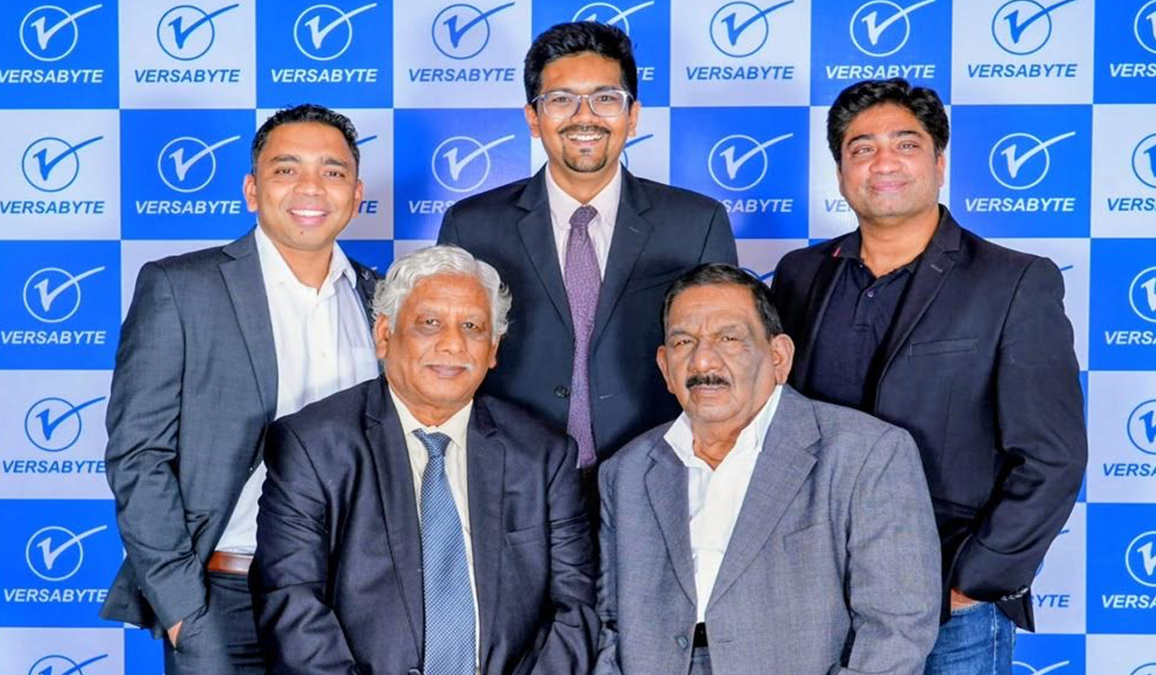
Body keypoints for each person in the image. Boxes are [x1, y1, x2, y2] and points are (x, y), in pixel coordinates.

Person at [771, 78, 1087, 674]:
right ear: (840, 172)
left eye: (906, 144)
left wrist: (974, 581)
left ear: (939, 163)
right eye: (862, 148)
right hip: (816, 594)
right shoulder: (800, 274)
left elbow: (1053, 457)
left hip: (947, 605)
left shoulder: (1013, 282)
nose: (883, 161)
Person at [100, 104, 379, 674]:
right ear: (252, 190)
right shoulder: (181, 287)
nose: (311, 187)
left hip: (354, 601)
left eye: (332, 172)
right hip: (224, 598)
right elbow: (138, 456)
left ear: (356, 195)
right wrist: (183, 610)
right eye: (286, 169)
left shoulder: (380, 299)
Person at [250, 246, 597, 675]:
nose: (452, 344)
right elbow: (291, 601)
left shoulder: (543, 455)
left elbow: (573, 608)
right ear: (384, 335)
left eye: (472, 327)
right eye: (429, 323)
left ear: (493, 349)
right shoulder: (313, 445)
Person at [596, 263, 941, 675]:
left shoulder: (866, 453)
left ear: (779, 357)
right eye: (683, 341)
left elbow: (898, 627)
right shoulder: (627, 471)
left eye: (728, 338)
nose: (703, 360)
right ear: (665, 366)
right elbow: (608, 625)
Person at [438, 21, 737, 470]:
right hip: (511, 472)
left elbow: (726, 358)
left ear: (632, 116)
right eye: (561, 100)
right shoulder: (472, 226)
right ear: (533, 118)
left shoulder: (697, 223)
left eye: (605, 99)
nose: (585, 117)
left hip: (658, 469)